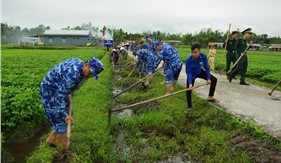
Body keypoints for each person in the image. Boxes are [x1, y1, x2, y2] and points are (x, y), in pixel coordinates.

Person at [40, 57, 104, 149]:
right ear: (86, 65)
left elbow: (63, 85)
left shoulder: (80, 64)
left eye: (93, 75)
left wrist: (68, 92)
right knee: (61, 118)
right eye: (90, 72)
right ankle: (65, 149)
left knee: (65, 115)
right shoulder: (73, 76)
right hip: (50, 91)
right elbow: (59, 96)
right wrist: (65, 115)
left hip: (58, 88)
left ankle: (52, 139)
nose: (90, 76)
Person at [186, 44, 217, 108]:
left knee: (214, 79)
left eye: (195, 52)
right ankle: (189, 107)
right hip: (192, 74)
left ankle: (210, 96)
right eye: (192, 52)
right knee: (188, 90)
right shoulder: (188, 59)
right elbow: (188, 72)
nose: (193, 54)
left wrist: (208, 78)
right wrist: (190, 83)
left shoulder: (203, 56)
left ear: (199, 51)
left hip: (200, 71)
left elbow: (206, 68)